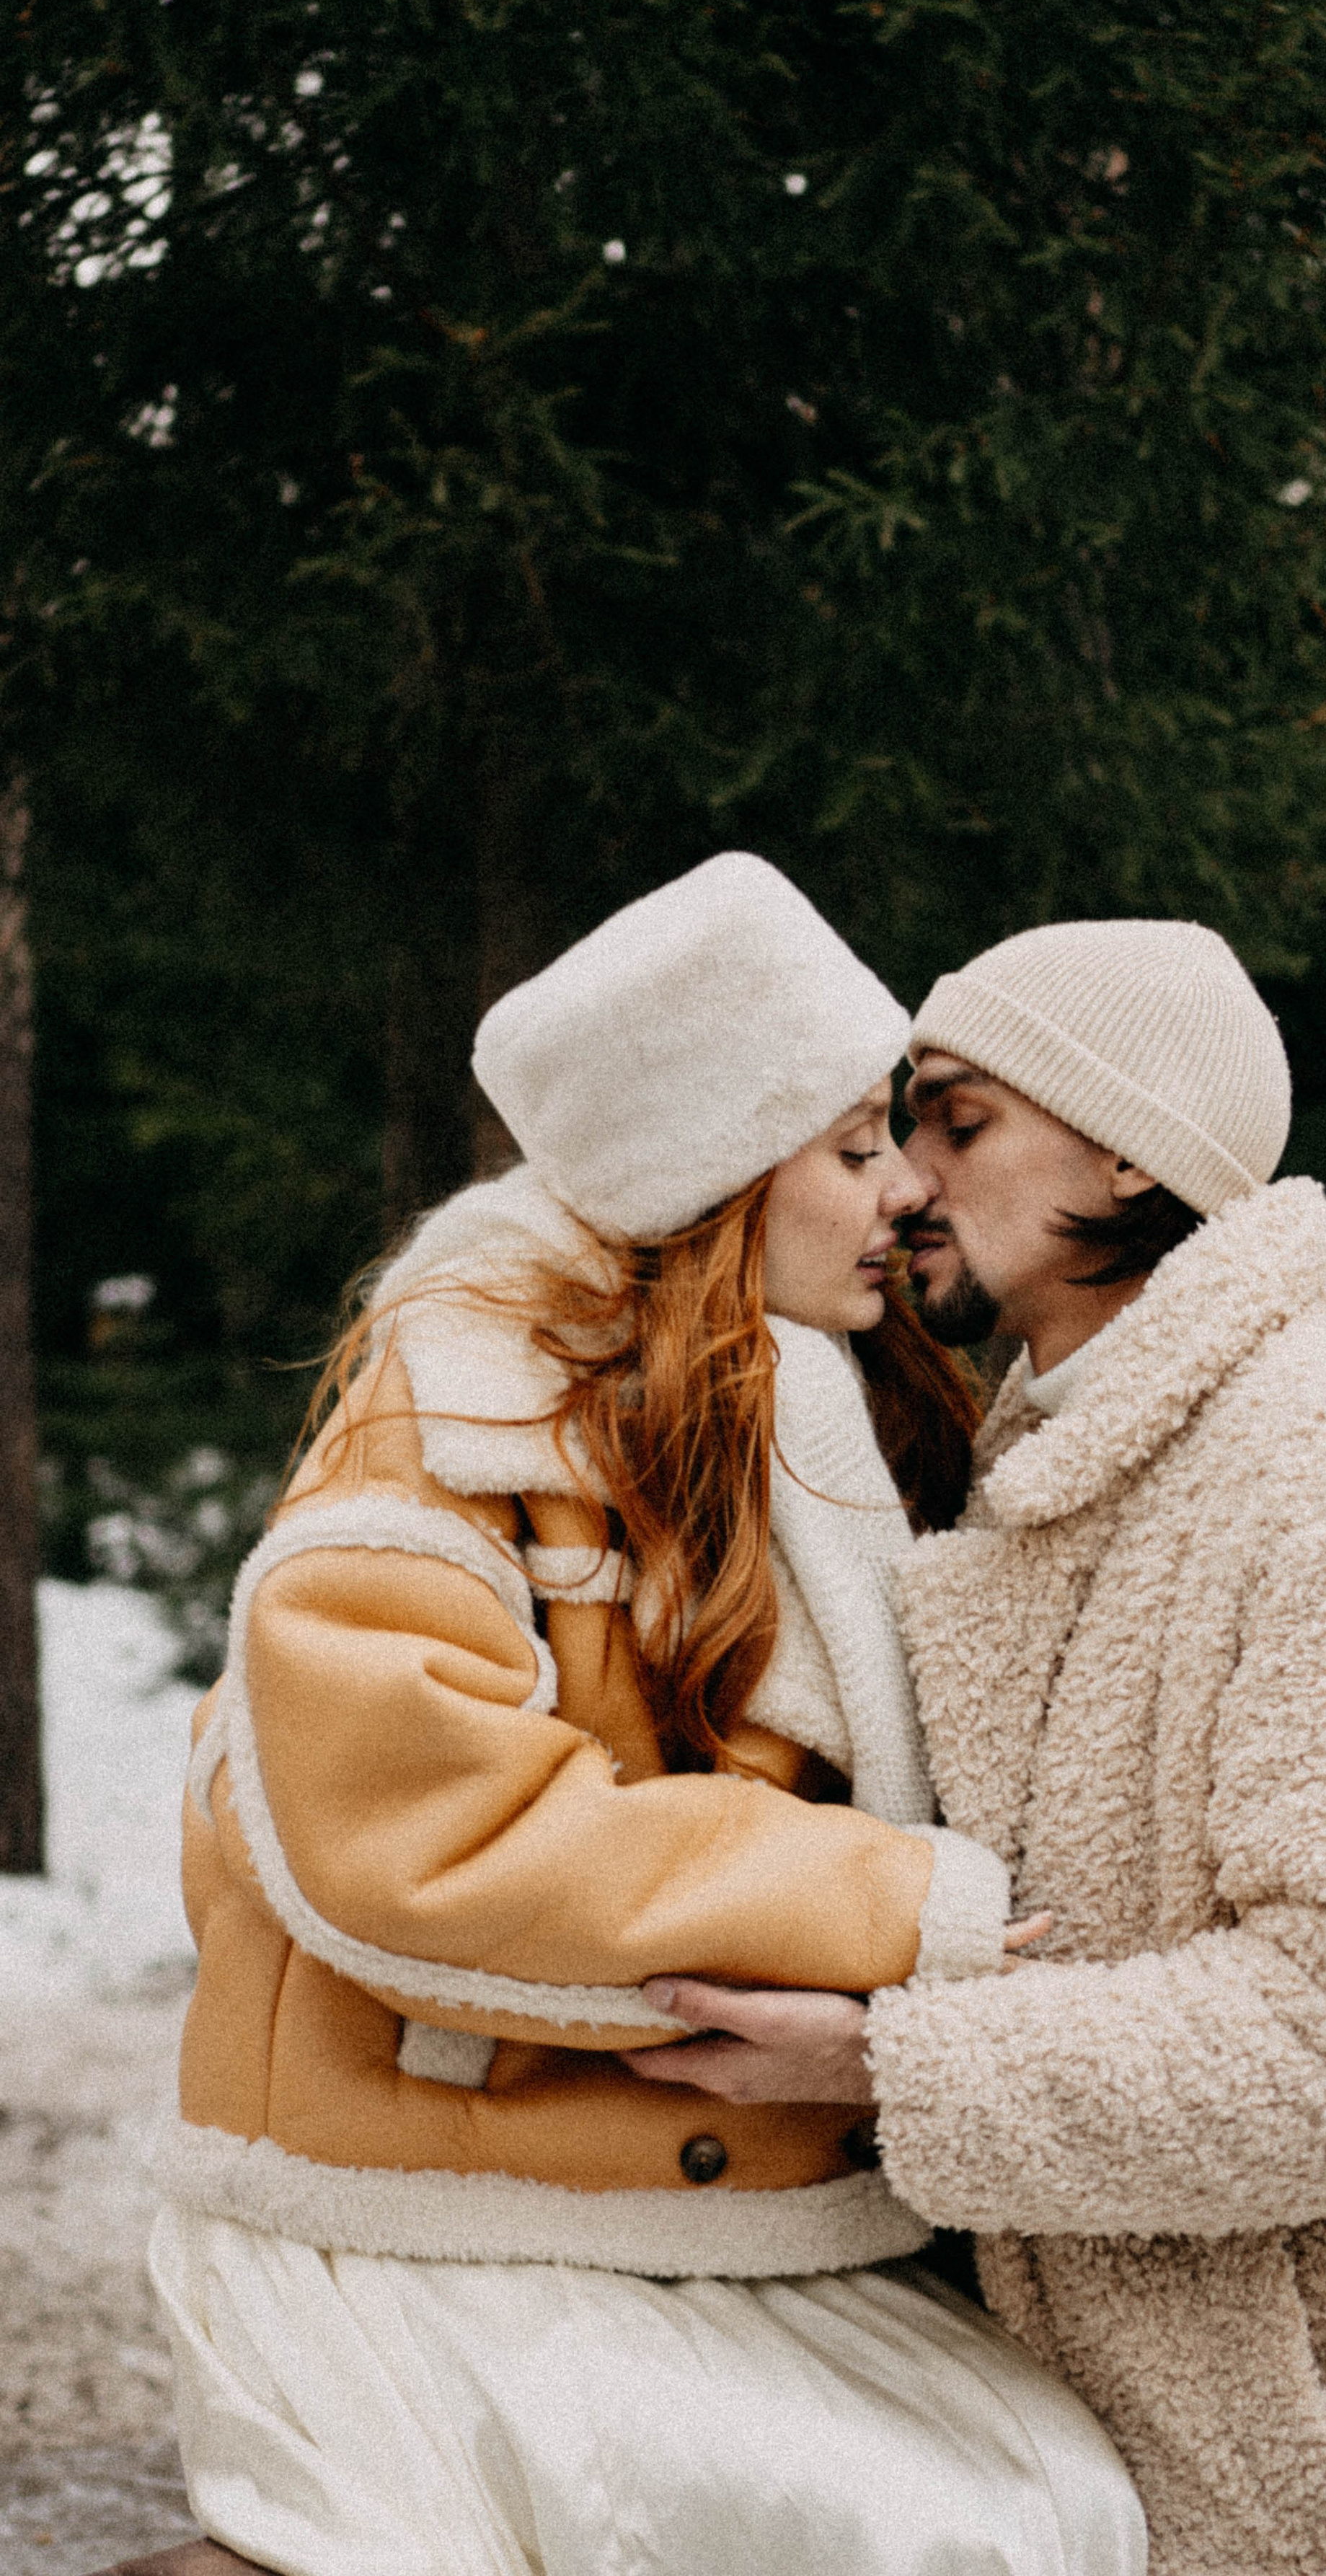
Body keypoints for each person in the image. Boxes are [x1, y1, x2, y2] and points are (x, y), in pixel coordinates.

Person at [625, 916, 1326, 2576]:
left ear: (1127, 1144)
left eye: (957, 1117)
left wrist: (887, 2061)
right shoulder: (1087, 1472)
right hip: (1209, 2492)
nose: (906, 1180)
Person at [147, 857, 1147, 2576]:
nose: (906, 1191)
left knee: (1067, 2509)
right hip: (428, 2225)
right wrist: (900, 1909)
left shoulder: (806, 1403)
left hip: (706, 2212)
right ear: (707, 1179)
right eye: (850, 1149)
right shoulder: (450, 1423)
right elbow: (430, 1836)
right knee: (939, 2536)